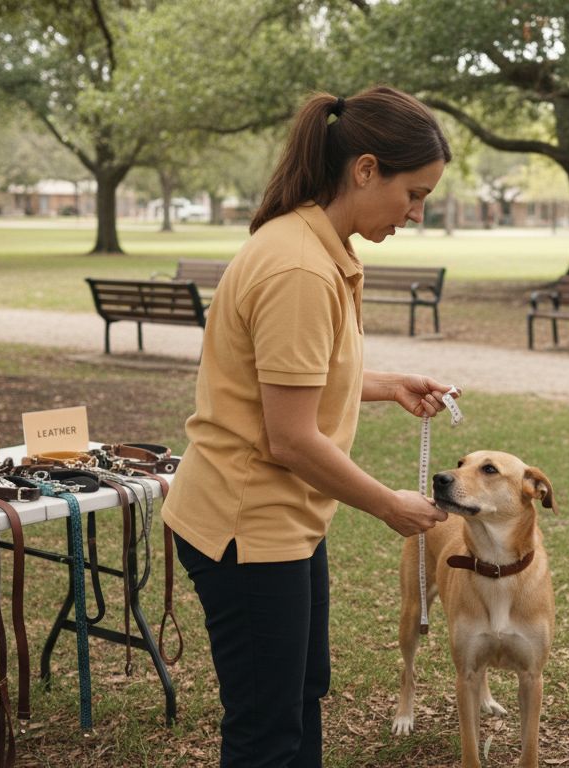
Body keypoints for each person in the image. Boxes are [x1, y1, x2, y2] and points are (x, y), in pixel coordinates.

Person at [161, 85, 455, 767]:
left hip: (286, 525)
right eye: (413, 193)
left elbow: (299, 380)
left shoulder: (314, 244)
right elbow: (287, 436)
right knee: (268, 731)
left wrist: (387, 386)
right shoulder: (298, 265)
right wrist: (390, 504)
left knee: (299, 698)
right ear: (364, 170)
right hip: (247, 528)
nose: (415, 214)